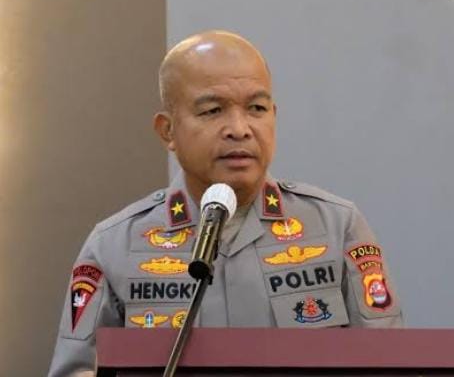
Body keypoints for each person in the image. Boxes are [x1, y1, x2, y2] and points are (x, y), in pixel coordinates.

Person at [48, 30, 403, 376]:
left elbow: (388, 365)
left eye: (257, 108)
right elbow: (78, 370)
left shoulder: (336, 227)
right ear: (167, 130)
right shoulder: (113, 246)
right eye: (213, 110)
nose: (239, 128)